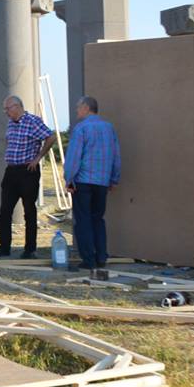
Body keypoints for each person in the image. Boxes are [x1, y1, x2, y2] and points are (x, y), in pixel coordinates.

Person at [0, 95, 55, 259]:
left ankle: (30, 249)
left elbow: (51, 137)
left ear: (17, 106)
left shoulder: (33, 121)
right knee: (5, 211)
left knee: (29, 211)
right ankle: (4, 247)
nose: (6, 112)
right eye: (5, 109)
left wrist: (38, 158)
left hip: (28, 171)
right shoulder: (10, 123)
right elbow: (9, 142)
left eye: (8, 108)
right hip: (11, 171)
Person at [64, 96, 121, 271]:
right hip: (102, 181)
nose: (76, 110)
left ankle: (88, 260)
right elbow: (116, 155)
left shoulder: (81, 128)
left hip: (83, 181)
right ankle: (101, 257)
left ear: (86, 108)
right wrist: (114, 178)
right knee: (98, 219)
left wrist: (69, 179)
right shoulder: (109, 128)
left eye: (78, 107)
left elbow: (74, 157)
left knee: (83, 220)